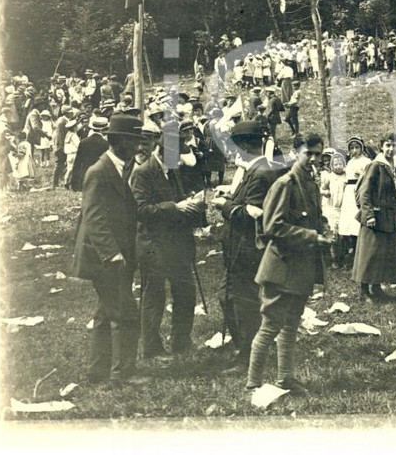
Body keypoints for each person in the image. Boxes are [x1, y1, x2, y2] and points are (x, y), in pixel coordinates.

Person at [246, 132, 332, 394]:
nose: (314, 159)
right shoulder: (285, 183)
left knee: (291, 323)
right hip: (281, 267)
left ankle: (285, 378)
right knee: (271, 325)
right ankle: (253, 384)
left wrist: (324, 227)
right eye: (309, 153)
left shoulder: (311, 183)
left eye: (319, 154)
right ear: (295, 152)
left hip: (301, 267)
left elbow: (313, 217)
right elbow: (272, 227)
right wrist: (311, 236)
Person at [69, 114, 147, 386]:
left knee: (105, 313)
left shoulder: (122, 167)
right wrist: (112, 253)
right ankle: (121, 374)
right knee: (125, 313)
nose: (138, 147)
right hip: (104, 257)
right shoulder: (98, 172)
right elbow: (93, 217)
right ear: (120, 141)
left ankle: (97, 371)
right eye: (134, 141)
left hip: (117, 254)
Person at [212, 120, 287, 373]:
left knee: (239, 301)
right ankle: (247, 348)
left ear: (244, 145)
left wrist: (224, 206)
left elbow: (253, 215)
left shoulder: (260, 173)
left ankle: (247, 356)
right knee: (233, 298)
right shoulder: (259, 169)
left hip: (245, 249)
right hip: (243, 249)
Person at [129, 120, 206, 360]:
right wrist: (176, 207)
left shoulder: (173, 170)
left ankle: (181, 342)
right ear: (162, 151)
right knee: (155, 296)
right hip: (154, 245)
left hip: (178, 243)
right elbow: (140, 210)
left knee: (185, 291)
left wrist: (192, 201)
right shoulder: (143, 173)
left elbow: (179, 198)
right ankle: (151, 348)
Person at [352, 133, 396, 300]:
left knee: (383, 253)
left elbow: (395, 195)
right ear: (382, 147)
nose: (390, 149)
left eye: (394, 146)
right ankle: (364, 290)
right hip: (376, 215)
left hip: (389, 216)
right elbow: (364, 192)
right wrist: (369, 215)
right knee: (370, 253)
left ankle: (377, 286)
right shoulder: (376, 166)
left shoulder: (393, 167)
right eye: (387, 145)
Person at [337, 137, 371, 267]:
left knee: (358, 223)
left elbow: (369, 177)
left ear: (362, 148)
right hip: (349, 193)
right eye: (352, 148)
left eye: (357, 148)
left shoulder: (367, 161)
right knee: (348, 223)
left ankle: (360, 256)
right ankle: (349, 254)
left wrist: (361, 176)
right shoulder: (350, 162)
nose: (354, 150)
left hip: (360, 190)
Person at [69, 116, 110, 191]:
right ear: (103, 130)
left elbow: (77, 163)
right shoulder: (106, 144)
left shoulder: (83, 142)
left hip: (85, 177)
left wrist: (74, 182)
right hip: (100, 179)